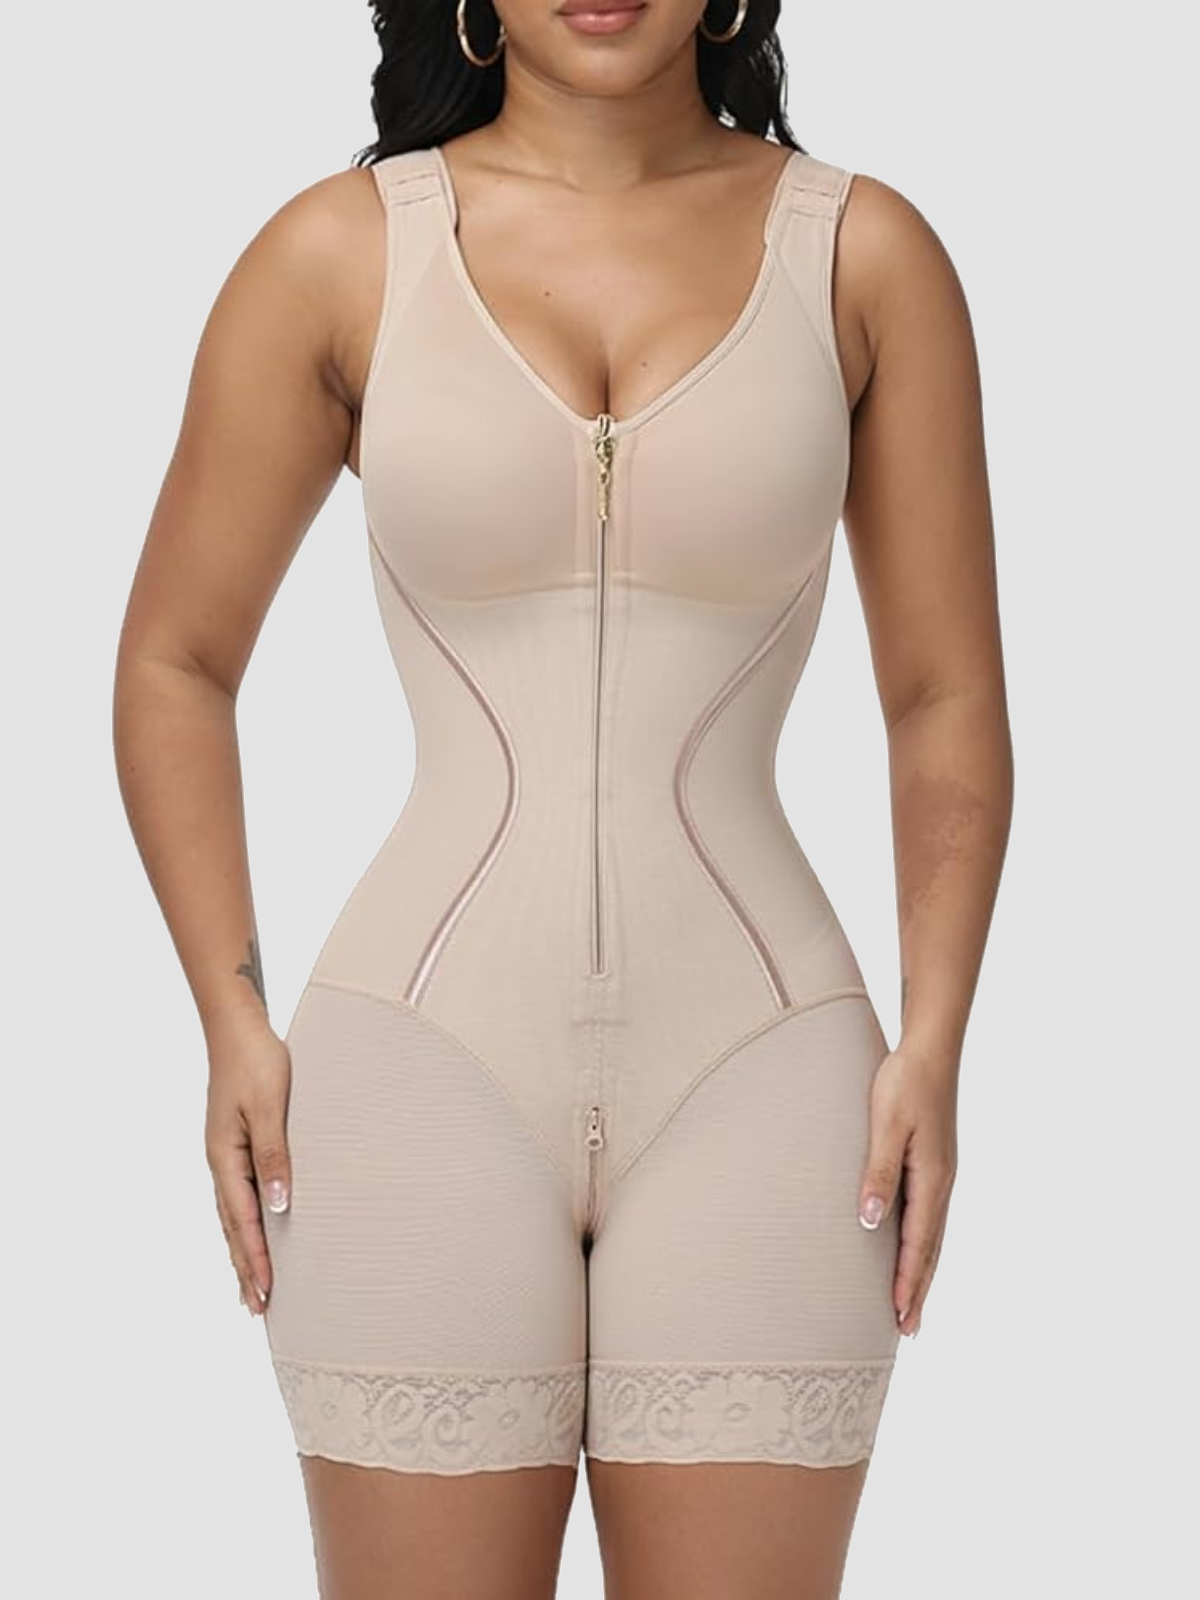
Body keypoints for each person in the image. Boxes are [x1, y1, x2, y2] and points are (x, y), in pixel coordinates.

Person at [112, 0, 1013, 1593]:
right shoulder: (339, 255)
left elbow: (941, 697)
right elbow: (176, 661)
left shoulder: (863, 257)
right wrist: (229, 1017)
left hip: (771, 1078)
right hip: (412, 1071)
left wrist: (936, 1042)